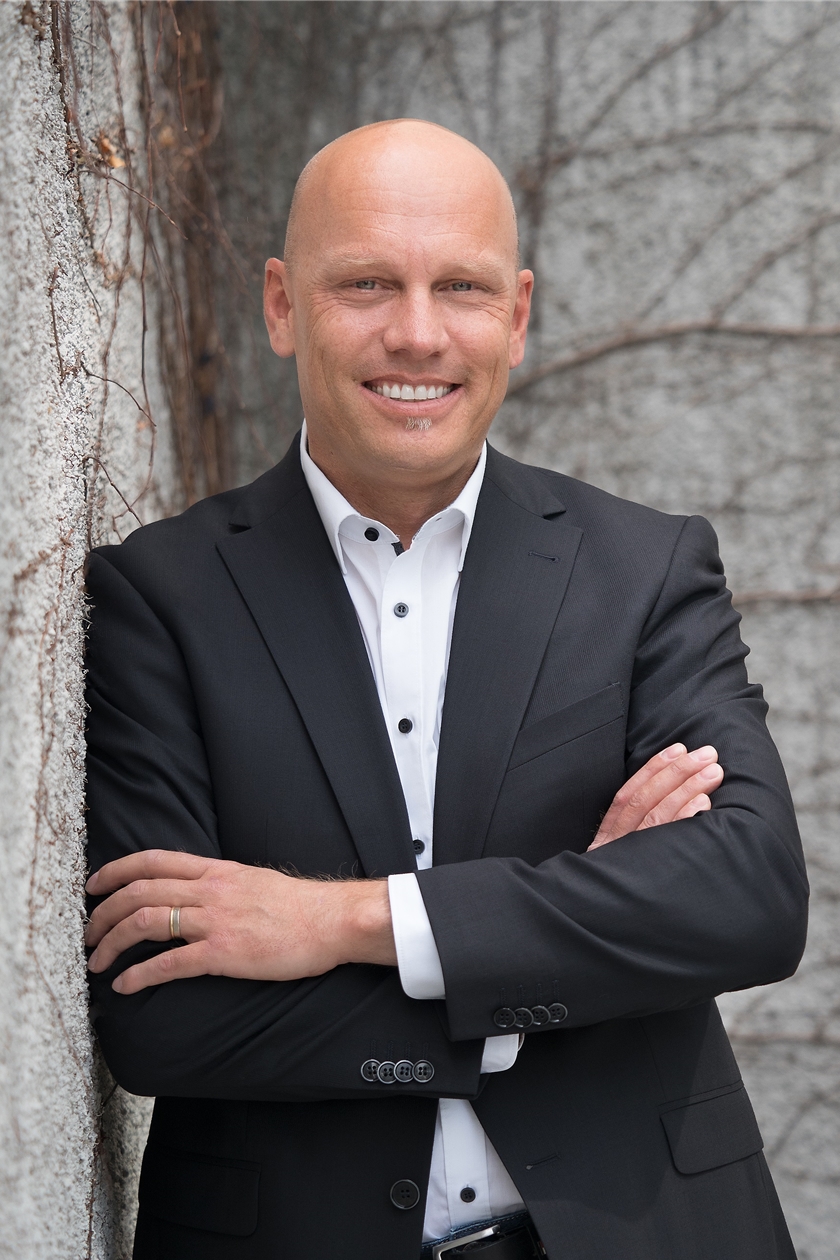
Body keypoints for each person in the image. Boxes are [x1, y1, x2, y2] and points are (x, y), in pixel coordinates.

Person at [84, 120, 807, 1260]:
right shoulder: (160, 597)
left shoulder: (646, 569)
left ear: (516, 316)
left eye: (460, 287)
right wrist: (563, 946)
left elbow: (747, 897)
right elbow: (163, 1012)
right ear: (282, 305)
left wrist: (335, 922)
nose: (417, 333)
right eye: (367, 283)